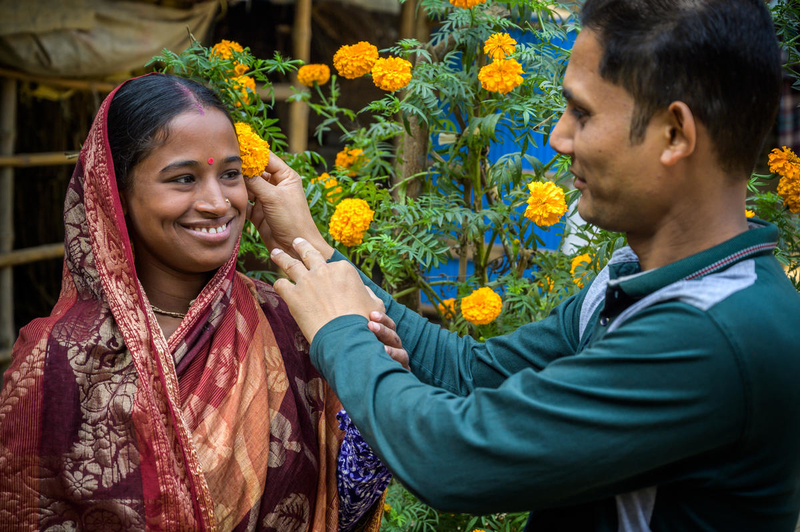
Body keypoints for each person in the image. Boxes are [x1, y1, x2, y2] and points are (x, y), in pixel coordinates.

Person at [242, 0, 800, 530]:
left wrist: (340, 335)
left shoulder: (709, 335)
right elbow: (466, 371)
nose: (558, 138)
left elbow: (453, 455)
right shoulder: (647, 275)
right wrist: (309, 243)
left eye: (582, 113)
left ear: (674, 134)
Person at [0, 74, 392, 531]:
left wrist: (373, 389)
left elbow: (343, 503)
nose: (217, 202)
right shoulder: (54, 357)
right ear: (117, 195)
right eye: (183, 178)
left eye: (229, 174)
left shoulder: (293, 321)